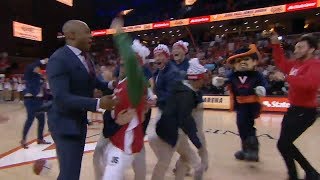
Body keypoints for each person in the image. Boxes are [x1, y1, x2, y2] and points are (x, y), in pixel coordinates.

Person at [46, 20, 117, 180]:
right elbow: (62, 98)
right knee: (70, 173)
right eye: (87, 32)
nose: (91, 36)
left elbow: (96, 83)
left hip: (78, 122)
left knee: (70, 171)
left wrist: (114, 84)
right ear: (71, 35)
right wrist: (97, 103)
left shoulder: (85, 57)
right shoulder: (59, 59)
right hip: (64, 124)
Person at [270, 33, 320, 180]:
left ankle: (305, 173)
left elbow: (309, 84)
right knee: (284, 144)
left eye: (300, 47)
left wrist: (286, 78)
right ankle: (307, 173)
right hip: (293, 110)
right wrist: (275, 45)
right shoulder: (296, 64)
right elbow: (281, 63)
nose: (296, 50)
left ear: (311, 50)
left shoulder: (315, 65)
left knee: (284, 143)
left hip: (305, 112)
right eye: (296, 47)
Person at [150, 58, 206, 180]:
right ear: (198, 79)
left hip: (166, 130)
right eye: (203, 78)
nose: (204, 81)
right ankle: (197, 170)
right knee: (164, 163)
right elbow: (185, 120)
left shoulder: (182, 88)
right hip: (170, 134)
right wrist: (197, 142)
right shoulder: (187, 94)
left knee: (187, 158)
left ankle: (190, 172)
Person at [213, 44, 267, 162]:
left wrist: (261, 89)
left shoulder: (257, 75)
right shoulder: (233, 75)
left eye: (246, 59)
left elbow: (263, 85)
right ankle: (245, 149)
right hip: (240, 105)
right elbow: (225, 80)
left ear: (254, 61)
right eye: (239, 60)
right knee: (241, 126)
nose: (242, 62)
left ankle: (253, 150)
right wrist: (220, 81)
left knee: (248, 126)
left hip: (252, 105)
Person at [171, 40, 209, 174]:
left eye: (177, 48)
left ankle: (204, 160)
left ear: (184, 51)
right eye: (173, 48)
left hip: (195, 105)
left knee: (197, 134)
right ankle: (185, 164)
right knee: (181, 137)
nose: (174, 50)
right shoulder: (170, 66)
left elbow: (199, 83)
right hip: (180, 106)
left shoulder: (191, 64)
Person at [20, 58, 51, 148]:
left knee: (41, 120)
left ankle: (40, 138)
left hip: (38, 101)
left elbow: (42, 87)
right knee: (30, 119)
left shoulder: (38, 77)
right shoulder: (29, 73)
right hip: (30, 100)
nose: (38, 69)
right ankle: (23, 139)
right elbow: (31, 66)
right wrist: (43, 61)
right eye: (37, 67)